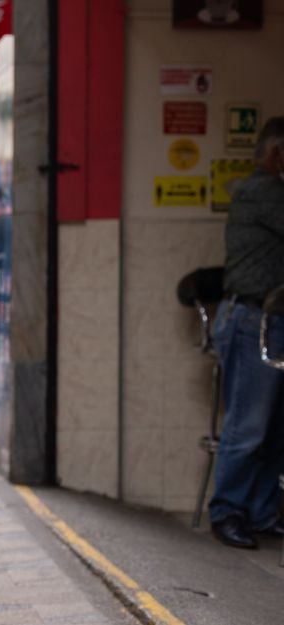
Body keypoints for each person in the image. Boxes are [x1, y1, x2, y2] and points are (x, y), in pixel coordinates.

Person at [208, 116, 284, 550]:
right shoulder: (264, 191)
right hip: (254, 322)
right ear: (277, 153)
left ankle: (261, 510)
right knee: (250, 425)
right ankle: (228, 512)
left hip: (270, 320)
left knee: (275, 427)